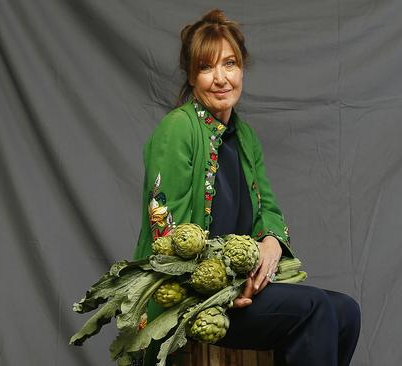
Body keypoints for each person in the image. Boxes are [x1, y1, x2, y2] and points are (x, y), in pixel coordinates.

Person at [133, 9, 361, 366]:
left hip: (240, 288)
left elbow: (268, 208)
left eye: (230, 64)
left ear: (242, 69)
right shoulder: (177, 130)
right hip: (189, 298)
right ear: (192, 76)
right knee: (315, 309)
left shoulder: (244, 136)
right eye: (207, 67)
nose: (221, 78)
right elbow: (166, 235)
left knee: (346, 311)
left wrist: (271, 243)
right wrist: (217, 288)